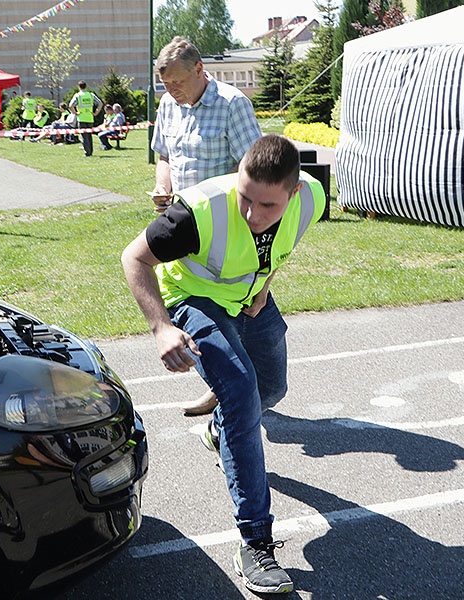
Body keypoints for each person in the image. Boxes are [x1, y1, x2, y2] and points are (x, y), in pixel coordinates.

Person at [121, 135, 326, 595]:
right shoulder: (198, 212)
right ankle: (255, 543)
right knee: (239, 390)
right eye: (245, 197)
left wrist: (266, 283)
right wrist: (161, 329)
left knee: (270, 389)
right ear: (238, 178)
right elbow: (133, 257)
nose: (253, 215)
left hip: (248, 298)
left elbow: (283, 245)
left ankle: (221, 429)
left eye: (267, 206)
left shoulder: (311, 196)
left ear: (292, 194)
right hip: (193, 299)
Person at [152, 36, 263, 416]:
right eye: (166, 86)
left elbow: (255, 170)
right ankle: (224, 386)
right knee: (197, 309)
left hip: (226, 227)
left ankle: (233, 387)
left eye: (178, 84)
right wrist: (162, 185)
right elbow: (164, 154)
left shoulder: (233, 104)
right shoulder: (168, 104)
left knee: (238, 310)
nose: (172, 92)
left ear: (200, 70)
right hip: (183, 224)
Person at [69, 80, 103, 157]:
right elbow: (100, 103)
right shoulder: (91, 95)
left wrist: (75, 113)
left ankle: (87, 152)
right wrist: (96, 112)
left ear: (79, 87)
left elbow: (70, 106)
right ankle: (90, 151)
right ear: (86, 87)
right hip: (90, 117)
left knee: (84, 136)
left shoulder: (78, 96)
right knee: (89, 135)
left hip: (81, 118)